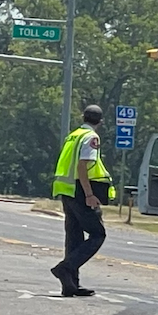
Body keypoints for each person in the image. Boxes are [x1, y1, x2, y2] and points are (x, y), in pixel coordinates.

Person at [51, 102, 113, 296]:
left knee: (74, 236)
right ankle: (65, 268)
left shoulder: (73, 135)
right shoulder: (91, 137)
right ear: (100, 122)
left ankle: (70, 285)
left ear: (83, 118)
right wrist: (89, 194)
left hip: (66, 189)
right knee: (98, 234)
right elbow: (82, 166)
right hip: (80, 190)